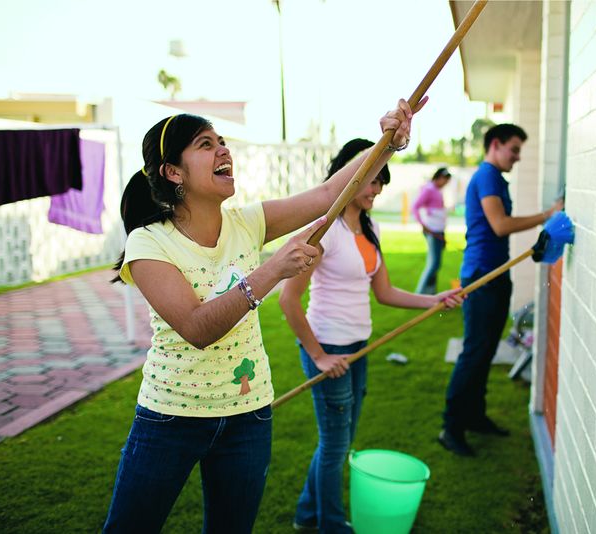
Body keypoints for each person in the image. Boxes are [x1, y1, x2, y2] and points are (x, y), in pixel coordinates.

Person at [103, 99, 420, 533]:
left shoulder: (246, 223)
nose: (222, 151)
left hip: (248, 414)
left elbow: (330, 194)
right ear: (173, 173)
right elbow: (197, 329)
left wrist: (388, 142)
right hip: (171, 416)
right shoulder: (148, 243)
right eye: (205, 144)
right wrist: (272, 269)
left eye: (222, 141)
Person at [279, 139, 463, 533]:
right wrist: (319, 355)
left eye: (382, 182)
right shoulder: (323, 231)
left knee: (338, 441)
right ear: (353, 173)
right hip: (329, 347)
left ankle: (307, 514)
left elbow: (385, 292)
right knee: (334, 445)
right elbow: (288, 299)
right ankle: (330, 523)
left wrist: (434, 299)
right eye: (373, 180)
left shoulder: (370, 226)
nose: (378, 190)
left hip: (358, 347)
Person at [439, 124, 563, 457]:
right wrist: (548, 214)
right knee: (474, 352)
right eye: (514, 149)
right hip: (481, 276)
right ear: (495, 145)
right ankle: (450, 428)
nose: (518, 157)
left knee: (485, 350)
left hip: (496, 274)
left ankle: (475, 417)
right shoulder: (487, 177)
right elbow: (500, 225)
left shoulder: (494, 177)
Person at [411, 166, 451, 294]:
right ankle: (420, 293)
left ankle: (431, 293)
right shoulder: (429, 189)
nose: (446, 184)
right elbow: (415, 207)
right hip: (432, 231)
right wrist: (422, 224)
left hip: (438, 230)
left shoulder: (437, 190)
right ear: (439, 178)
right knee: (433, 264)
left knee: (435, 264)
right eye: (445, 180)